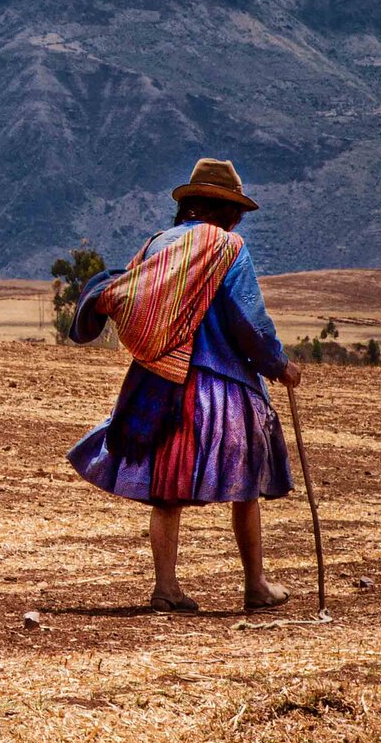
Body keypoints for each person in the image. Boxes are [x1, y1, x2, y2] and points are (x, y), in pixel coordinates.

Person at [65, 158, 303, 613]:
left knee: (167, 488)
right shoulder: (228, 247)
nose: (237, 221)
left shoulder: (158, 244)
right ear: (225, 210)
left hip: (161, 382)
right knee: (247, 484)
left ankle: (166, 587)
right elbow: (246, 319)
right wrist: (279, 365)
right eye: (235, 212)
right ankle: (255, 584)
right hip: (224, 385)